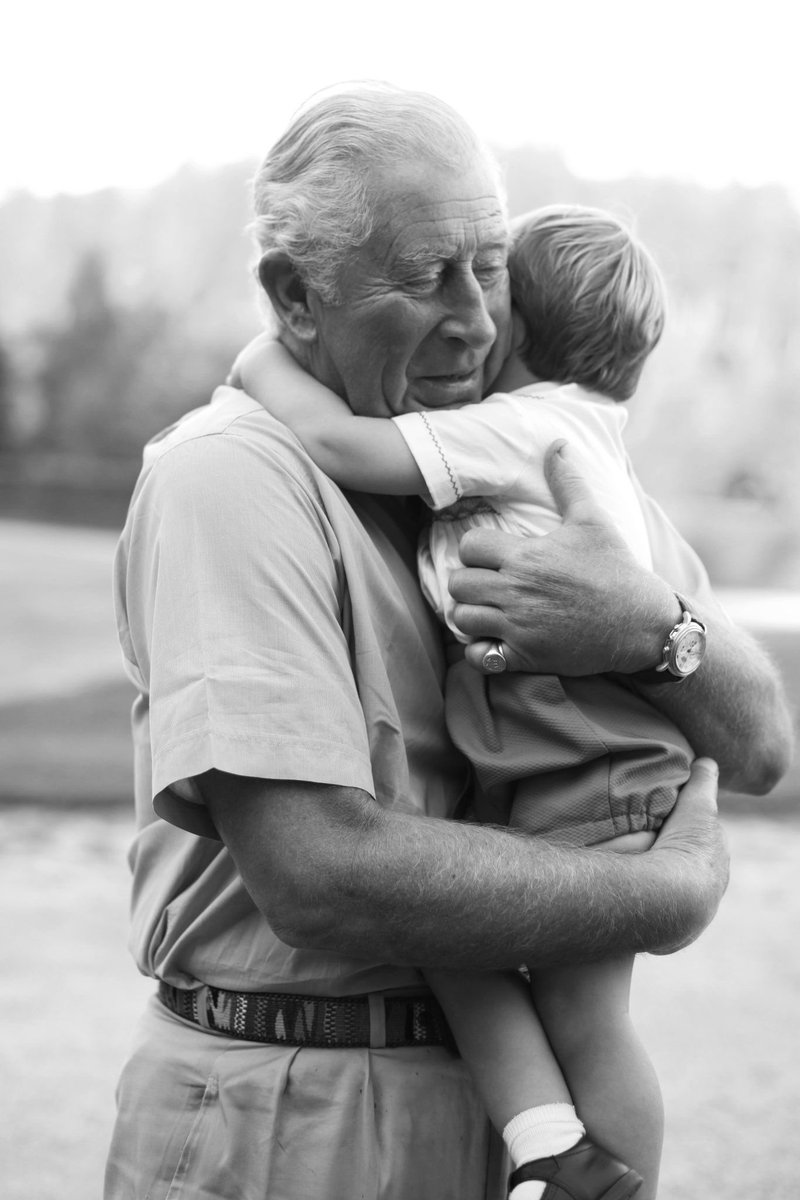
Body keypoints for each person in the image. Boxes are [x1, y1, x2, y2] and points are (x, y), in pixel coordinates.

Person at [105, 84, 791, 1200]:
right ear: (295, 296)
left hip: (492, 1102)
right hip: (289, 1106)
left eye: (490, 268)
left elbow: (760, 747)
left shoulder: (527, 463)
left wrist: (649, 628)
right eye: (426, 276)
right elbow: (322, 876)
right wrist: (659, 895)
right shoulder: (229, 479)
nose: (475, 319)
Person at [233, 202, 694, 1197]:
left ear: (513, 324)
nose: (467, 316)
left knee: (585, 1012)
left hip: (591, 762)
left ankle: (618, 1183)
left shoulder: (525, 428)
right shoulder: (580, 431)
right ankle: (553, 1151)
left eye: (487, 286)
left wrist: (261, 361)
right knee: (449, 945)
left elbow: (342, 446)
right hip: (555, 757)